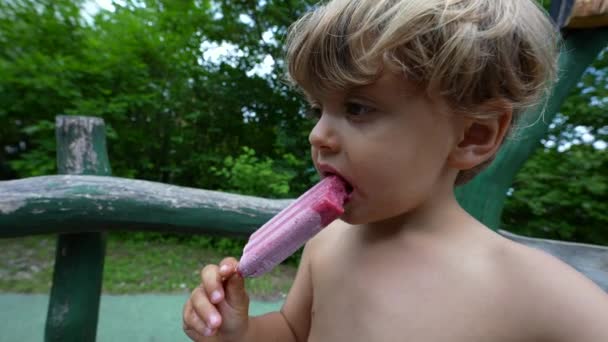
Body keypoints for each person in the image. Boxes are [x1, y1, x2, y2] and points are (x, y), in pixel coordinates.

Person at [183, 0, 608, 340]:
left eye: (358, 108)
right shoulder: (326, 245)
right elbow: (295, 332)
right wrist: (241, 334)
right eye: (318, 109)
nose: (318, 134)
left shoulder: (527, 286)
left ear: (472, 137)